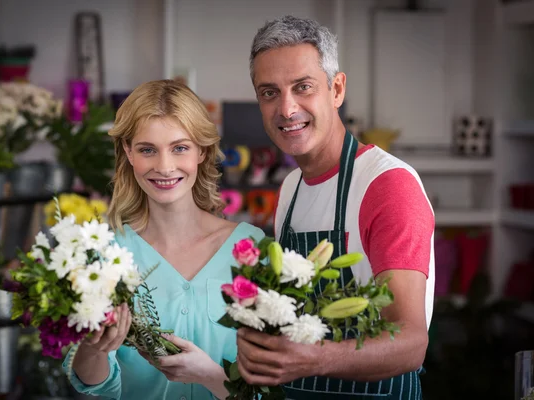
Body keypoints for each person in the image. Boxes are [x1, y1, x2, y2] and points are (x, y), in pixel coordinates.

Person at [236, 15, 435, 400]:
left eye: (303, 87)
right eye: (269, 92)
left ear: (337, 89)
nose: (287, 109)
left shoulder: (387, 185)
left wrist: (312, 360)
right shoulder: (290, 188)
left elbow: (411, 342)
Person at [64, 80, 265, 400]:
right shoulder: (106, 253)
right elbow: (100, 389)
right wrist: (93, 350)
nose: (164, 166)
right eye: (147, 150)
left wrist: (211, 377)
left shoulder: (251, 249)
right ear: (128, 152)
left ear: (202, 151)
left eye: (179, 147)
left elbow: (271, 385)